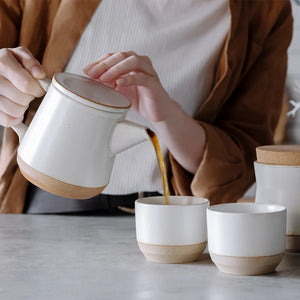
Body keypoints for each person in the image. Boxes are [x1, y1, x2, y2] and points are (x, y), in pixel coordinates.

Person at [0, 0, 293, 213]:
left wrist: (168, 116)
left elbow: (242, 158)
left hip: (170, 213)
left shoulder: (266, 11)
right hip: (44, 201)